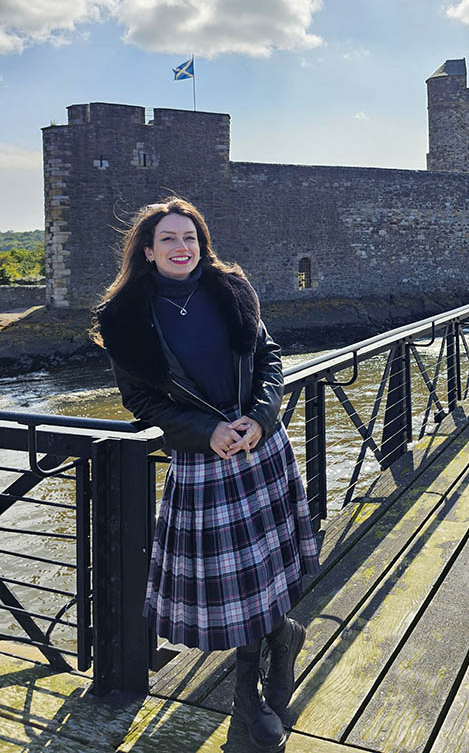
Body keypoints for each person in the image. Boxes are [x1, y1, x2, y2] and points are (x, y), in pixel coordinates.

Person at [92, 197, 319, 752]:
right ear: (147, 250)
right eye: (169, 239)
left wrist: (261, 419)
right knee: (238, 590)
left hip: (260, 448)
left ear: (202, 243)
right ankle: (272, 657)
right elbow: (141, 400)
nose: (181, 248)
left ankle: (249, 705)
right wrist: (203, 431)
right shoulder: (123, 318)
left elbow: (269, 358)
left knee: (259, 575)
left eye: (190, 237)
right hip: (203, 460)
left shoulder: (231, 289)